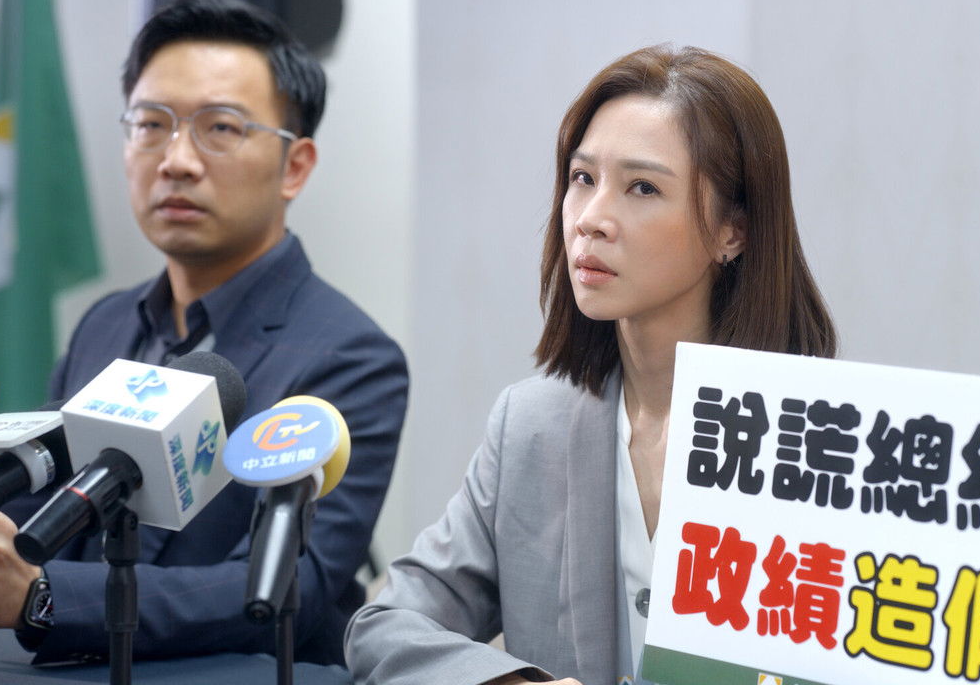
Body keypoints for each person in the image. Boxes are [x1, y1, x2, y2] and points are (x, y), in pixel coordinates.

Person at [0, 0, 407, 666]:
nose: (176, 159)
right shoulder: (105, 323)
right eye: (151, 124)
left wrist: (46, 597)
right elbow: (44, 512)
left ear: (294, 166)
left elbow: (288, 582)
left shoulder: (350, 356)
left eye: (220, 128)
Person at [345, 45, 835, 684]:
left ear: (732, 231)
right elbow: (385, 626)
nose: (592, 220)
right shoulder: (533, 426)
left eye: (642, 187)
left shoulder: (822, 443)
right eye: (582, 179)